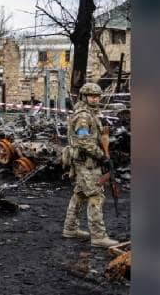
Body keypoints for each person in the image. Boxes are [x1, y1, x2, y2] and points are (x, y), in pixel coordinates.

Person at [62, 83, 120, 247]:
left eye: (97, 96)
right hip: (86, 163)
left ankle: (70, 228)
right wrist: (101, 155)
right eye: (91, 96)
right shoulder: (83, 116)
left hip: (87, 162)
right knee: (95, 195)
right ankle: (98, 236)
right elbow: (84, 141)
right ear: (83, 97)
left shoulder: (90, 113)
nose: (95, 98)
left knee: (80, 194)